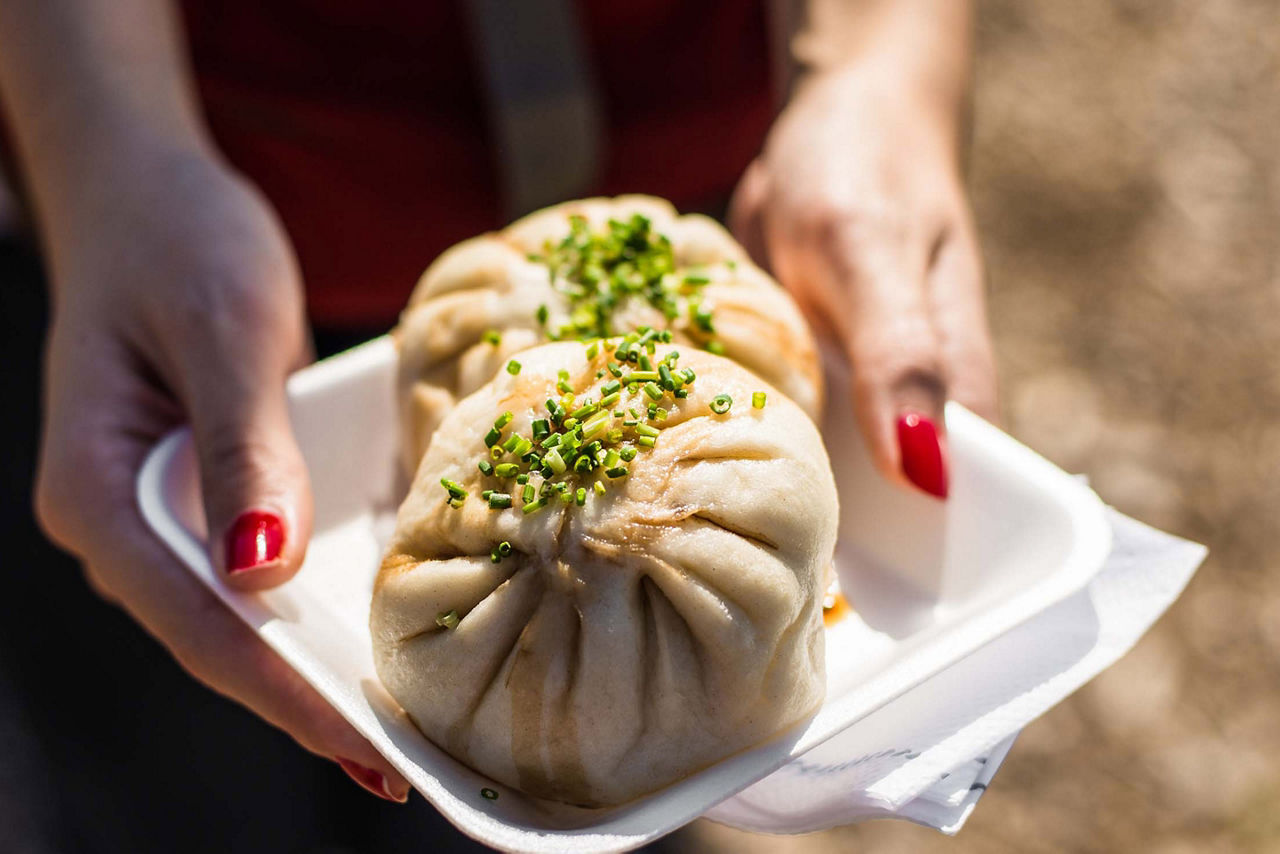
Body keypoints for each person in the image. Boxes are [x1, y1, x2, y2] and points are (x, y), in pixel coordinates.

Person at [0, 0, 996, 812]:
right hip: (190, 223)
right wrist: (97, 150)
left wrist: (878, 68)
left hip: (702, 113)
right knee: (181, 787)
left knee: (619, 787)